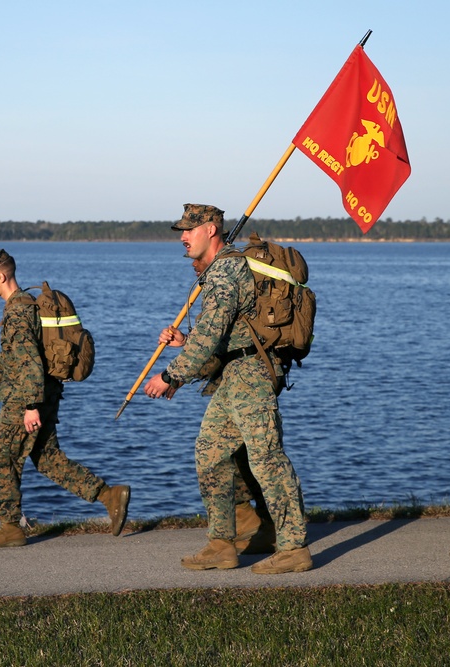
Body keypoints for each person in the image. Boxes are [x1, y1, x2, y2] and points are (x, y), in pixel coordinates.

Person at [143, 203, 310, 574]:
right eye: (181, 231)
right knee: (210, 453)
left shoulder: (225, 272)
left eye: (189, 230)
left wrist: (170, 376)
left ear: (211, 230)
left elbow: (211, 336)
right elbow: (219, 336)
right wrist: (186, 341)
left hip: (252, 374)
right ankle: (222, 544)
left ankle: (294, 546)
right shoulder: (220, 271)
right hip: (235, 372)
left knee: (266, 459)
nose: (182, 237)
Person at [0, 249, 130, 547]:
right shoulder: (27, 305)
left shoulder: (17, 310)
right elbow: (17, 357)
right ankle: (108, 495)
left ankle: (10, 527)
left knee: (1, 460)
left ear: (1, 276)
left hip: (27, 397)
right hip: (46, 392)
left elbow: (30, 364)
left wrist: (30, 407)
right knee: (47, 458)